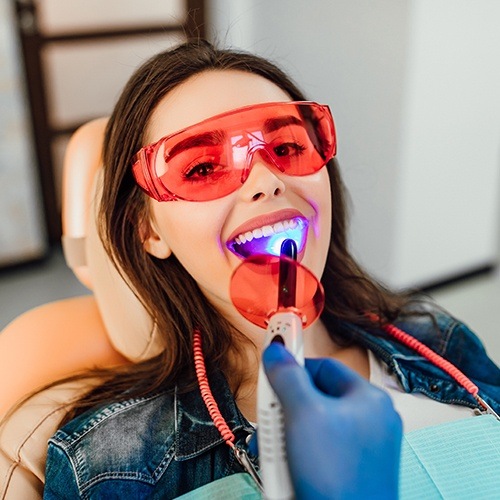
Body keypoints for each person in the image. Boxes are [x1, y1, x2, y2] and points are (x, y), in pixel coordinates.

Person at [43, 40, 499, 498]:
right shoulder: (107, 463)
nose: (266, 181)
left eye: (285, 146)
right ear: (149, 232)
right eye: (201, 167)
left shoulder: (438, 338)